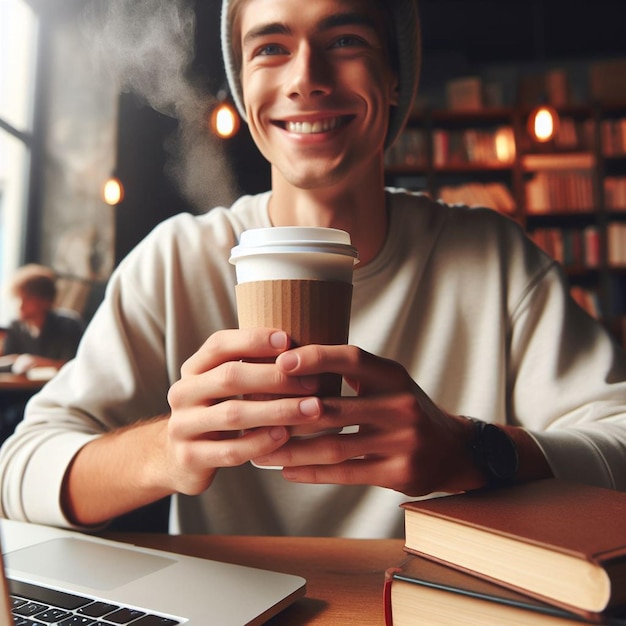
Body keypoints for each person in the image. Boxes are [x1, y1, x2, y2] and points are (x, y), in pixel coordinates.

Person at [0, 0, 625, 536]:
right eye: (271, 47)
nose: (306, 78)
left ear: (396, 76)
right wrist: (166, 450)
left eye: (345, 39)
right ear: (243, 91)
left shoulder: (496, 259)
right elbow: (18, 471)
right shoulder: (174, 261)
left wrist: (472, 449)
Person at [0, 264, 84, 375]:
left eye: (27, 299)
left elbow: (75, 365)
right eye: (18, 298)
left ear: (45, 300)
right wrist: (17, 360)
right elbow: (6, 363)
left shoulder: (69, 325)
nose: (20, 305)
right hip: (20, 389)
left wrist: (36, 362)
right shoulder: (16, 327)